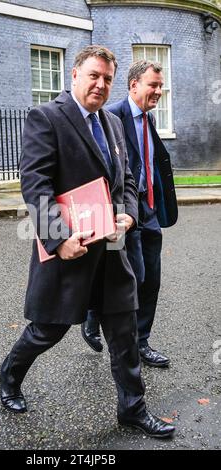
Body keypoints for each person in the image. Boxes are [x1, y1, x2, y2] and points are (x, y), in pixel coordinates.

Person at [0, 46, 175, 438]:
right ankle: (9, 373)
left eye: (108, 79)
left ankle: (132, 408)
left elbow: (127, 176)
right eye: (94, 75)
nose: (101, 84)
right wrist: (58, 239)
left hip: (112, 247)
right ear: (74, 75)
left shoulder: (111, 123)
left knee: (124, 331)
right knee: (48, 330)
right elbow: (36, 183)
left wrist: (128, 211)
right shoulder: (46, 118)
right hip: (70, 248)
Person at [81, 60, 178, 368]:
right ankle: (93, 315)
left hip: (147, 208)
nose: (159, 91)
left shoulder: (148, 119)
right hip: (120, 209)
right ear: (134, 85)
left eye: (161, 86)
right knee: (128, 278)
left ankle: (142, 340)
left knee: (152, 279)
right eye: (154, 85)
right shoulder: (112, 117)